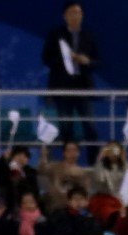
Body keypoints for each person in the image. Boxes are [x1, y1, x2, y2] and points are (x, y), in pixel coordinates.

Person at [42, 3, 99, 147]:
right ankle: (68, 164)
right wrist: (66, 58)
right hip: (63, 88)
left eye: (78, 13)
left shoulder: (89, 35)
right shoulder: (55, 35)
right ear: (65, 16)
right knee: (66, 129)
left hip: (83, 88)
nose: (76, 16)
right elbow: (46, 58)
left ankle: (93, 164)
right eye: (72, 13)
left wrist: (87, 61)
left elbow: (98, 61)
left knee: (90, 128)